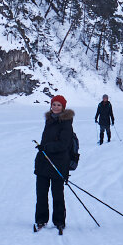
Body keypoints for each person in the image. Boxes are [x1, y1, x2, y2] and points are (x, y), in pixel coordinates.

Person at [34, 94, 79, 234]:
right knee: (41, 193)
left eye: (59, 105)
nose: (56, 107)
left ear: (63, 107)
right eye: (54, 104)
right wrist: (43, 149)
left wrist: (45, 148)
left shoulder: (66, 123)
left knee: (57, 194)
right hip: (43, 163)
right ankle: (41, 219)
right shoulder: (49, 120)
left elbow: (63, 144)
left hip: (59, 164)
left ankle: (59, 221)